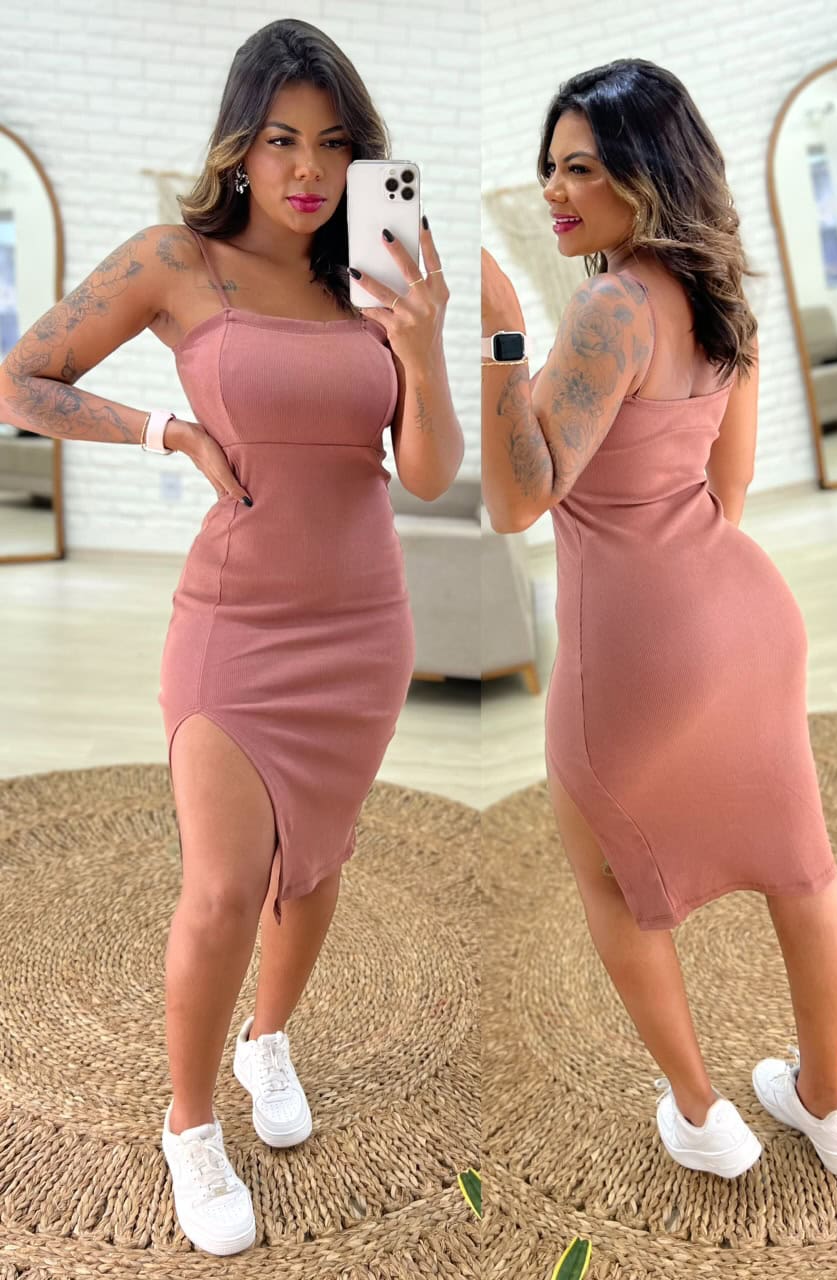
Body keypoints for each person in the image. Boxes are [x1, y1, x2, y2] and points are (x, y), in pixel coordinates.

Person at [0, 18, 462, 1256]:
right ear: (239, 148)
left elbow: (426, 474)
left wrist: (423, 347)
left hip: (365, 622)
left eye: (334, 144)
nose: (307, 169)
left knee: (314, 864)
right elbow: (19, 378)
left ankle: (269, 1040)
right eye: (279, 140)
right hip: (235, 624)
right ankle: (191, 1125)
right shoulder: (180, 261)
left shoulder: (376, 276)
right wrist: (170, 433)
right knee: (220, 885)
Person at [481, 57, 837, 1182]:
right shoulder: (723, 297)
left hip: (633, 640)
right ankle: (829, 1106)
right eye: (550, 167)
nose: (555, 191)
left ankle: (704, 1116)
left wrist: (504, 337)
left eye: (580, 169)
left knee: (613, 881)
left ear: (643, 174)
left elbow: (515, 502)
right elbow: (729, 487)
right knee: (804, 869)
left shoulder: (610, 306)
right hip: (748, 613)